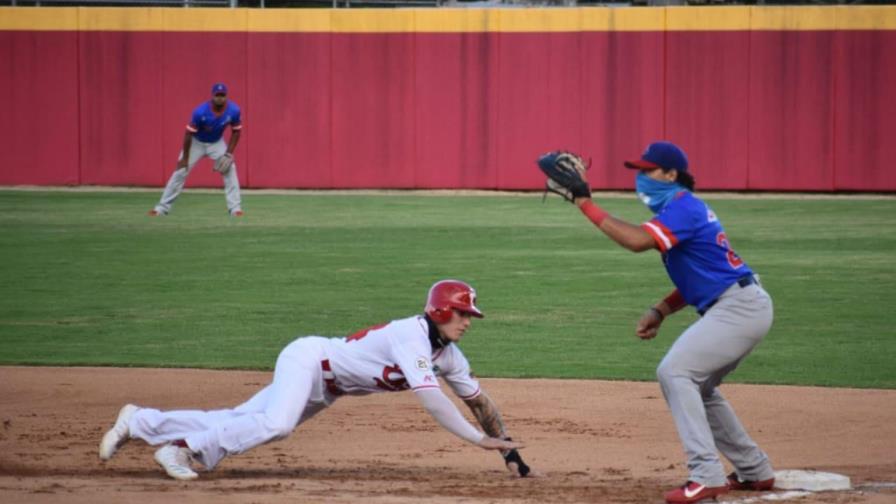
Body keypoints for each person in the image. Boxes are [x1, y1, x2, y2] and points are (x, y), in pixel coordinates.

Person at [99, 280, 533, 480]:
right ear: (441, 311)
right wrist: (476, 442)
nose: (468, 322)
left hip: (326, 388)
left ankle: (140, 422)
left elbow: (480, 403)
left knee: (238, 417)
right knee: (277, 425)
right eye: (463, 314)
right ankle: (180, 450)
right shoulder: (411, 336)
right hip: (309, 359)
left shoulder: (449, 356)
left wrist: (509, 454)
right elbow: (434, 401)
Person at [541, 142, 775, 504]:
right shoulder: (678, 208)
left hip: (738, 308)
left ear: (671, 174)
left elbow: (637, 241)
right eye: (639, 170)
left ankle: (706, 475)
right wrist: (661, 310)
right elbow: (701, 276)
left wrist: (585, 202)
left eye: (648, 170)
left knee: (675, 372)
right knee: (700, 386)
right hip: (740, 304)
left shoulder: (683, 207)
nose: (641, 177)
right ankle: (754, 469)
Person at [149, 83, 243, 217]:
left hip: (216, 143)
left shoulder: (234, 110)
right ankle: (162, 208)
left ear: (226, 96)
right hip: (196, 142)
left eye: (223, 95)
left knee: (230, 168)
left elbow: (236, 131)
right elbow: (188, 134)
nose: (220, 98)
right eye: (217, 95)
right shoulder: (200, 112)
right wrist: (185, 158)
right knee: (180, 171)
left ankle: (235, 209)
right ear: (213, 96)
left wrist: (228, 153)